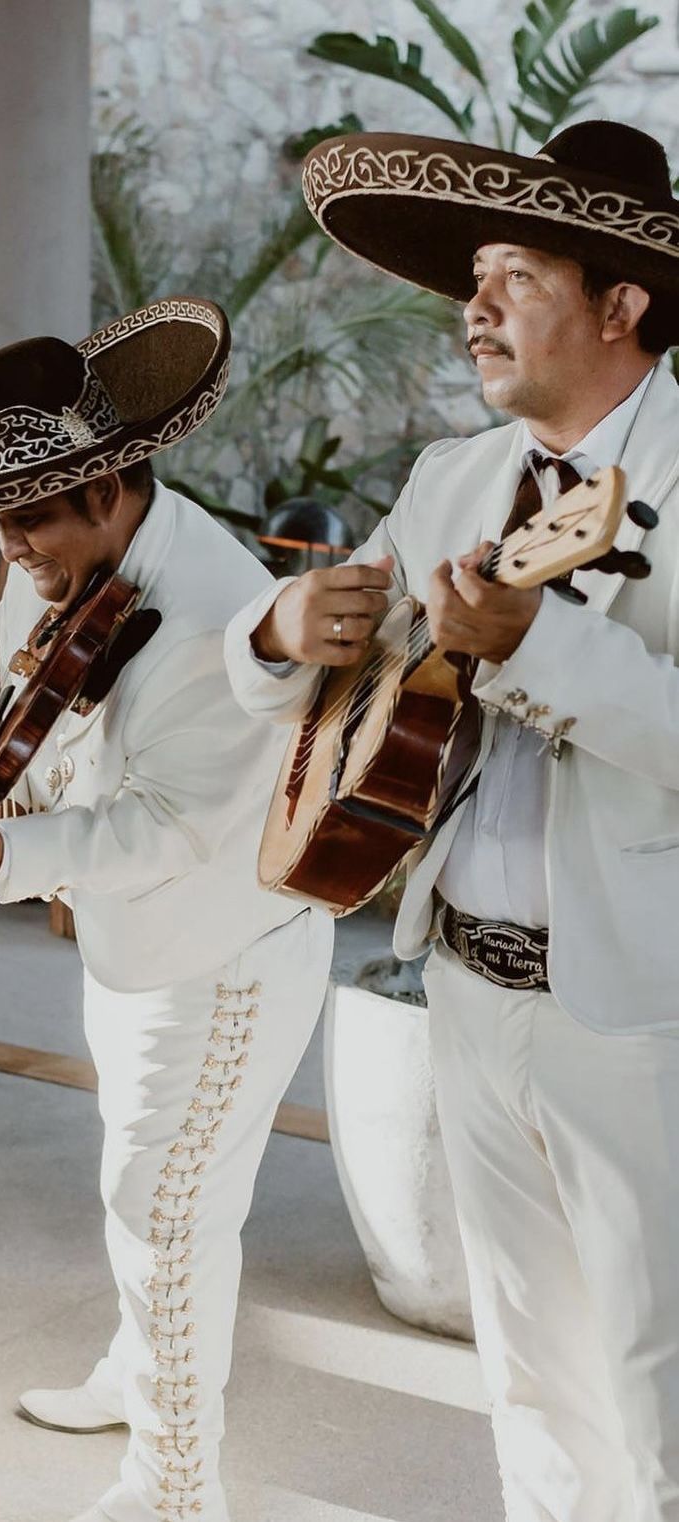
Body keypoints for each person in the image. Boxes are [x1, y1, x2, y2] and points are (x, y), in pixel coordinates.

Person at [0, 301, 335, 1522]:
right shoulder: (52, 559)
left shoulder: (214, 612)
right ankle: (132, 1369)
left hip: (224, 960)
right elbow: (4, 702)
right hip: (134, 946)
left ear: (112, 485)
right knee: (137, 1185)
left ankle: (174, 1485)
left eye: (36, 516)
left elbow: (167, 826)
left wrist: (4, 849)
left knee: (169, 1214)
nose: (14, 545)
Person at [225, 120, 679, 1521]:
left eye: (514, 274)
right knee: (529, 1374)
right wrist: (273, 626)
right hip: (465, 987)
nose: (472, 308)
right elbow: (322, 673)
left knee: (657, 1379)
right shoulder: (446, 480)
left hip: (645, 1013)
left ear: (622, 301)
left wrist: (538, 647)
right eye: (468, 276)